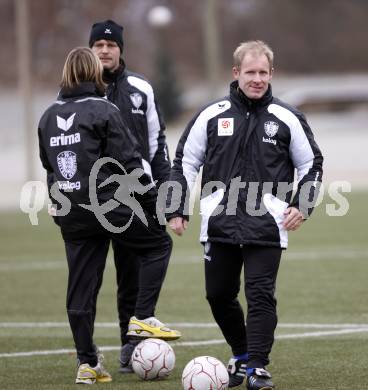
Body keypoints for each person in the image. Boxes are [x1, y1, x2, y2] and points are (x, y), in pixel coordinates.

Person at [167, 40, 323, 389]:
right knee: (218, 295)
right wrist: (176, 208)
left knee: (260, 293)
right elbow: (185, 162)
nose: (257, 79)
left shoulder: (287, 117)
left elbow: (312, 164)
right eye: (250, 72)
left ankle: (257, 368)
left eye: (263, 72)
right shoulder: (211, 115)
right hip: (218, 222)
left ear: (272, 74)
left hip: (268, 223)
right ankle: (240, 354)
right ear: (236, 73)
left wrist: (302, 204)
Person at [38, 47, 179, 385]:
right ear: (95, 74)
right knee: (158, 244)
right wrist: (151, 201)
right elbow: (129, 160)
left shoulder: (46, 116)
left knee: (81, 288)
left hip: (72, 211)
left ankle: (87, 363)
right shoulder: (104, 108)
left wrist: (60, 210)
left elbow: (50, 168)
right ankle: (143, 316)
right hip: (108, 206)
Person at [88, 19, 174, 372]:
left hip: (136, 195)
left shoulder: (141, 88)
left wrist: (165, 187)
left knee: (132, 273)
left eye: (111, 45)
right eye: (99, 45)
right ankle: (86, 354)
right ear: (91, 50)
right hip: (90, 199)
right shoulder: (77, 89)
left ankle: (131, 342)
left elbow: (157, 143)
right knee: (88, 277)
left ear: (120, 49)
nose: (105, 50)